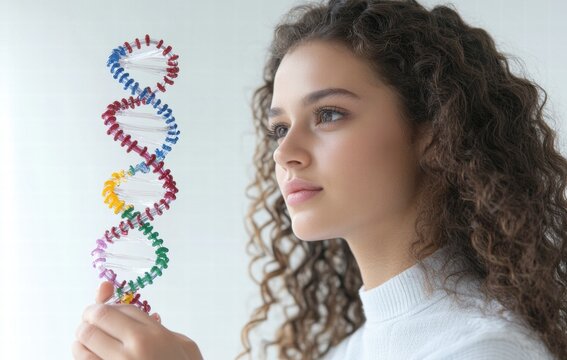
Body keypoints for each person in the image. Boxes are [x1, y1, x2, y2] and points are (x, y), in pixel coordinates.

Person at [73, 0, 567, 359]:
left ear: (435, 134)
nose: (285, 154)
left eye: (329, 114)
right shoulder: (347, 352)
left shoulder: (486, 351)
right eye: (279, 128)